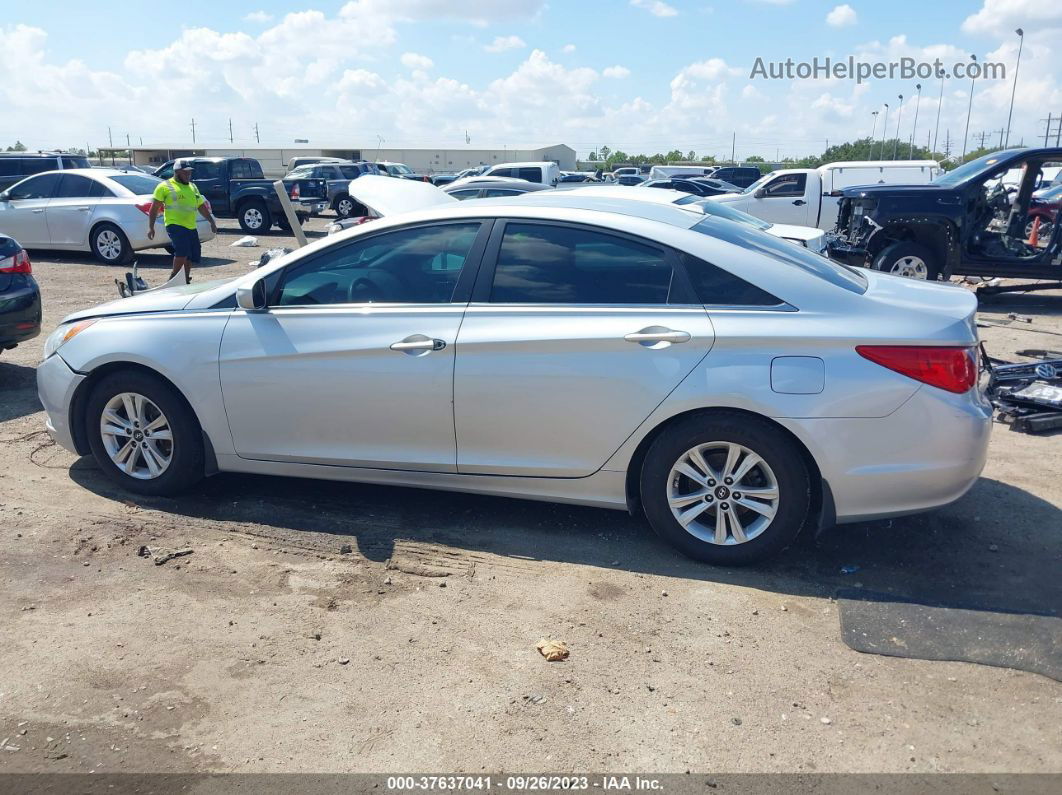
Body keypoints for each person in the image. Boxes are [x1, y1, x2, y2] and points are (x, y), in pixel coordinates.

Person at [147, 160, 217, 283]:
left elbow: (201, 206)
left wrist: (211, 221)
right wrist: (151, 227)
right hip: (174, 224)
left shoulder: (193, 187)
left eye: (189, 173)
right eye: (185, 173)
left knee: (191, 255)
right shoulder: (164, 186)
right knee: (182, 251)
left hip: (190, 226)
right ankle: (173, 278)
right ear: (177, 172)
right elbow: (154, 208)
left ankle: (185, 279)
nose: (188, 175)